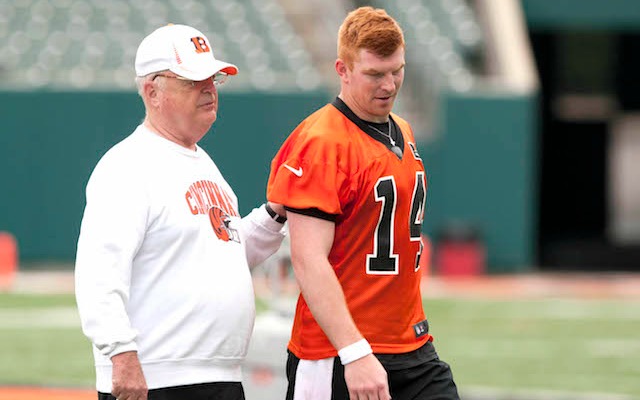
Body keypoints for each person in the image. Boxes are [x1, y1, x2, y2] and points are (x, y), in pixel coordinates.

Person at [75, 24, 288, 400]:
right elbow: (98, 273)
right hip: (157, 379)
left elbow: (226, 254)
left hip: (217, 375)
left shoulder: (203, 164)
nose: (208, 88)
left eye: (213, 77)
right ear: (152, 91)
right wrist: (121, 354)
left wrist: (275, 213)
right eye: (192, 80)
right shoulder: (126, 166)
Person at [267, 7, 460, 400]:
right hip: (339, 351)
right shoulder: (322, 142)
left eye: (396, 71)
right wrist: (354, 352)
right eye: (375, 74)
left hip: (411, 343)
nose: (389, 85)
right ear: (343, 69)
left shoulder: (401, 129)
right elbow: (308, 260)